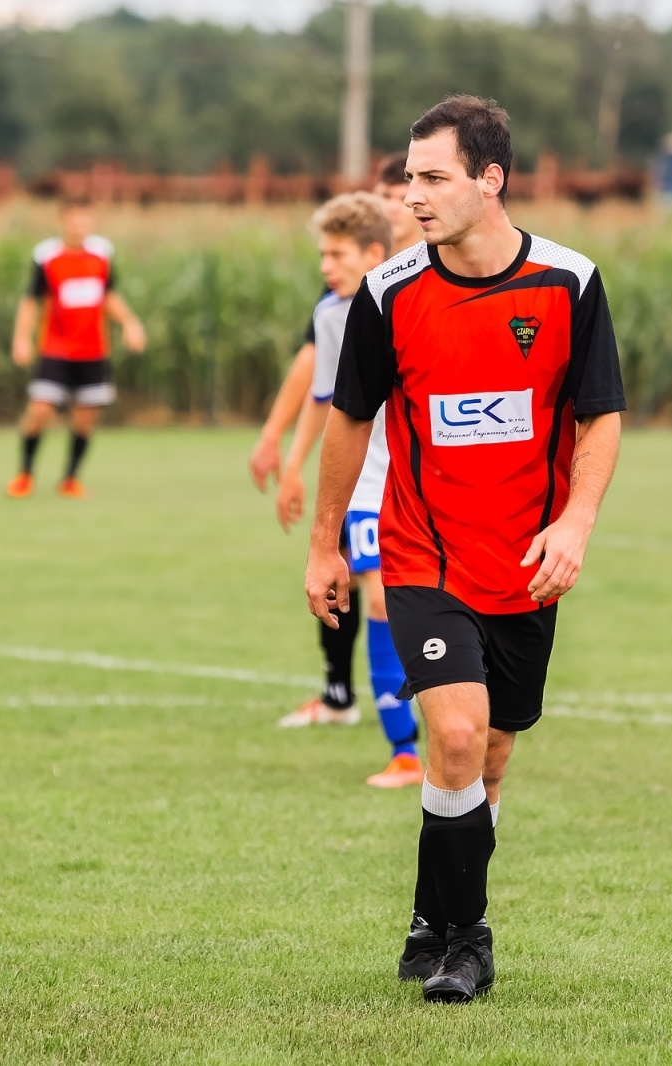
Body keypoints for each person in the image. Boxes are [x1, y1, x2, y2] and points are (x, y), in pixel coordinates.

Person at [304, 97, 625, 1002]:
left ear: (493, 180)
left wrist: (575, 522)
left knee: (488, 760)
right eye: (410, 176)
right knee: (452, 734)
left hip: (526, 565)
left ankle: (431, 914)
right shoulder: (389, 292)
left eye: (433, 177)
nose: (413, 194)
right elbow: (349, 420)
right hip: (422, 557)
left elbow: (601, 414)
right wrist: (325, 545)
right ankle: (466, 942)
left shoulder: (569, 284)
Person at [257, 155, 421, 737]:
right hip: (368, 484)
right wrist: (289, 458)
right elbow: (327, 397)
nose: (326, 266)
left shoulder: (430, 287)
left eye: (336, 255)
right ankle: (394, 739)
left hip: (425, 479)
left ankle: (420, 723)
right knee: (356, 590)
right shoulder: (333, 313)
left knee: (389, 597)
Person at [6, 196, 146, 499]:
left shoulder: (102, 253)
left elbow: (109, 295)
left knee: (86, 417)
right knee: (40, 410)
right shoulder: (46, 256)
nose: (80, 226)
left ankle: (70, 479)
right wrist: (21, 338)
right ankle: (25, 474)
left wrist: (130, 324)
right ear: (63, 221)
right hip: (55, 349)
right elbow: (31, 301)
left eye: (86, 220)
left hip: (93, 350)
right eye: (75, 219)